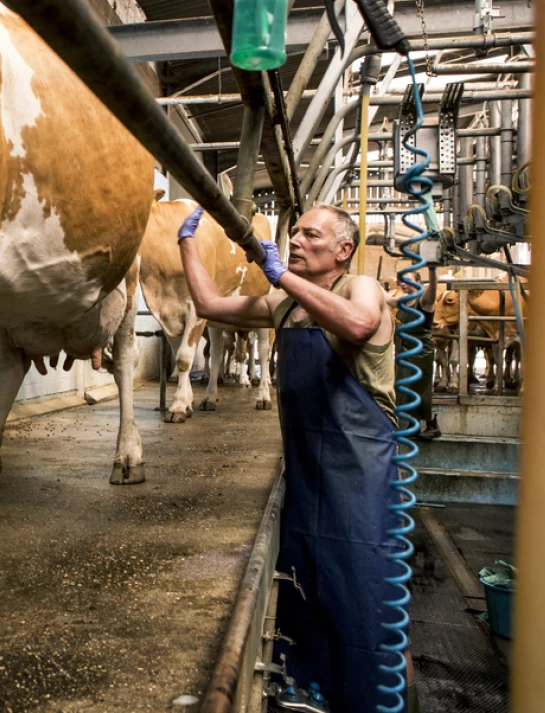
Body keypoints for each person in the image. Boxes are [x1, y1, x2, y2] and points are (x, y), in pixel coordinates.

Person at [179, 203, 418, 713]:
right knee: (305, 591)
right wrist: (186, 243)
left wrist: (282, 276)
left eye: (311, 235)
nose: (296, 240)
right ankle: (307, 697)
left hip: (362, 477)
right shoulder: (283, 306)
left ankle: (384, 704)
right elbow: (207, 305)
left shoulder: (360, 288)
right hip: (308, 475)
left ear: (342, 250)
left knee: (365, 596)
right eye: (295, 233)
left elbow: (358, 325)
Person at [389, 264, 441, 440]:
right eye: (400, 281)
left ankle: (432, 425)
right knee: (403, 387)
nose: (403, 284)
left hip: (420, 350)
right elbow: (387, 300)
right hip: (405, 350)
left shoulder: (424, 301)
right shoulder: (404, 301)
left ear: (419, 282)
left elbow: (433, 290)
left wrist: (433, 271)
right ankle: (414, 426)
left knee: (419, 388)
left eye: (408, 280)